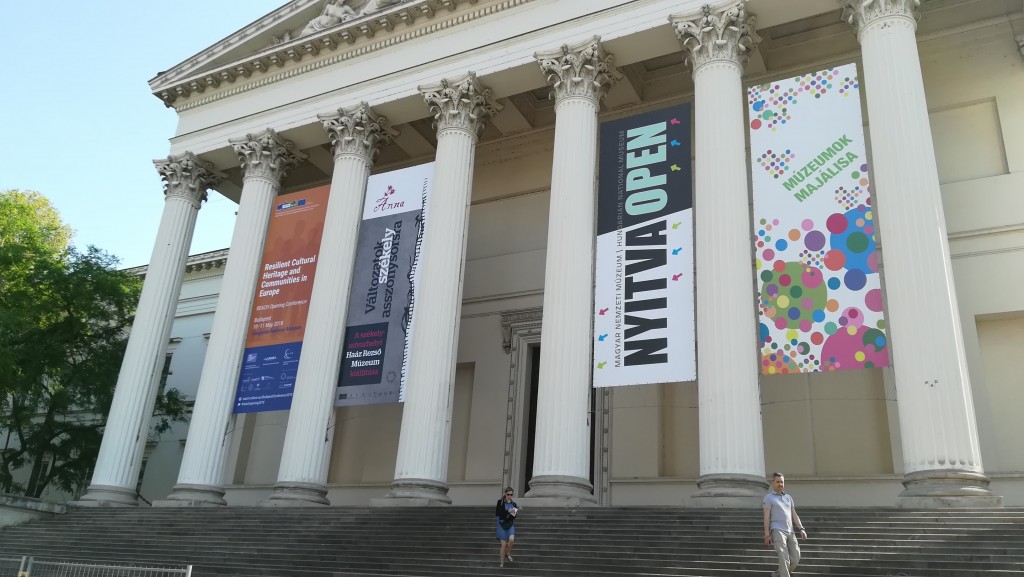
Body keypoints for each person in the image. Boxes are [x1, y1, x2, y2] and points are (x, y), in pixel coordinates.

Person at [763, 472, 808, 577]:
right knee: (784, 557)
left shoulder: (788, 497)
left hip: (790, 530)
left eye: (782, 482)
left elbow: (794, 514)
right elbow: (766, 517)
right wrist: (766, 534)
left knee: (796, 557)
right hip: (777, 530)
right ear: (773, 482)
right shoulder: (768, 498)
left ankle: (777, 574)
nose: (780, 484)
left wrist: (801, 528)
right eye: (777, 482)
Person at [495, 487, 519, 567]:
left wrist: (513, 512)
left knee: (511, 539)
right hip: (501, 525)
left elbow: (514, 517)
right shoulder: (500, 502)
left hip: (510, 524)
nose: (510, 496)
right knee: (503, 544)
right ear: (505, 494)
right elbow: (498, 513)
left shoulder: (514, 504)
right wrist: (507, 512)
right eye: (508, 494)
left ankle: (507, 552)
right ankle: (502, 562)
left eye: (511, 494)